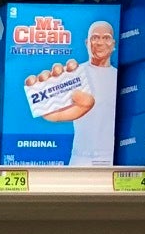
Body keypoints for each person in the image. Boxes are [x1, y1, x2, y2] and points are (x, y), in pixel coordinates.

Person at [43, 19, 117, 165]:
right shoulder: (75, 74)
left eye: (106, 38)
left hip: (112, 159)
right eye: (95, 38)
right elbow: (49, 107)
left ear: (113, 44)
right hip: (82, 157)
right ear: (86, 43)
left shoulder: (120, 78)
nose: (100, 43)